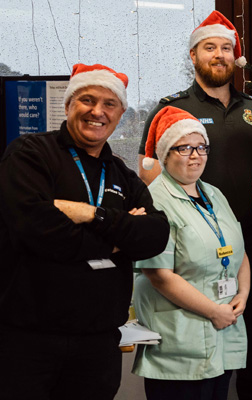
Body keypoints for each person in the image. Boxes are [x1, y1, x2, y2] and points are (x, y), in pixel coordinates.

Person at [0, 63, 169, 399]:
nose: (97, 112)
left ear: (121, 113)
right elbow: (36, 230)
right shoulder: (30, 154)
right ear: (68, 105)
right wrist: (118, 241)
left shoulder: (120, 173)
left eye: (109, 104)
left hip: (99, 344)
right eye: (87, 100)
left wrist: (92, 215)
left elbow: (155, 234)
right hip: (29, 341)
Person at [137, 11, 252, 399]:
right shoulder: (172, 108)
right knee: (198, 343)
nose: (219, 55)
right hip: (190, 251)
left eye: (227, 48)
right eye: (210, 47)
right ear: (194, 55)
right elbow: (150, 174)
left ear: (236, 58)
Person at [132, 106, 250, 399]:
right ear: (164, 154)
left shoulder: (214, 194)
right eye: (184, 148)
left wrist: (242, 296)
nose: (196, 155)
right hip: (179, 346)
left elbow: (240, 252)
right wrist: (213, 311)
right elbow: (158, 275)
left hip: (223, 331)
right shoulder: (154, 201)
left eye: (201, 147)